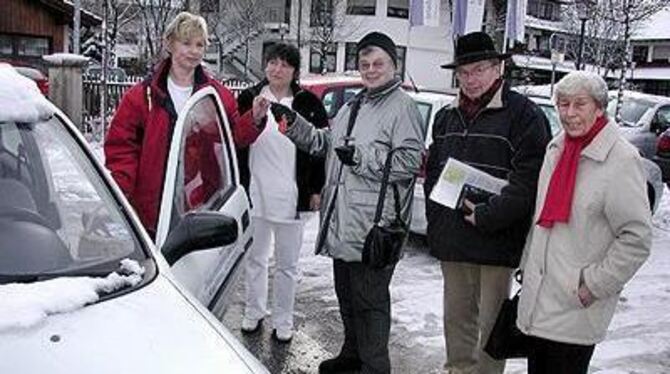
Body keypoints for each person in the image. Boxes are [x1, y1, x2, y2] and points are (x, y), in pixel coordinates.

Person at [273, 31, 424, 374]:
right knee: (348, 298)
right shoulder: (355, 104)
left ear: (393, 65)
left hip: (376, 225)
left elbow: (408, 163)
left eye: (378, 63)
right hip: (344, 222)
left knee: (371, 305)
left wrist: (360, 156)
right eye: (365, 64)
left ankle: (374, 367)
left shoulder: (403, 107)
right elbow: (328, 144)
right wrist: (295, 125)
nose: (371, 70)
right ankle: (352, 355)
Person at [423, 31, 552, 374]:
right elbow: (435, 174)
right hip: (454, 241)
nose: (471, 79)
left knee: (492, 331)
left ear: (499, 69)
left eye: (479, 69)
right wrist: (436, 227)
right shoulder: (446, 117)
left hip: (495, 241)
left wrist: (487, 216)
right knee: (457, 324)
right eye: (464, 72)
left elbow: (528, 182)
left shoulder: (524, 115)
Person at [516, 71, 652, 374]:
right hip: (540, 297)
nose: (569, 114)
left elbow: (636, 237)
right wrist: (527, 267)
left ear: (599, 108)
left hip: (575, 302)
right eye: (563, 105)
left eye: (580, 105)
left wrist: (592, 284)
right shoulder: (557, 149)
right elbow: (541, 221)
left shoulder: (621, 159)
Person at [104, 11, 258, 237]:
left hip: (198, 203)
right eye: (186, 43)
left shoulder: (216, 95)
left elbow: (232, 137)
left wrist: (254, 119)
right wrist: (120, 194)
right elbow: (122, 150)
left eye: (200, 45)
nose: (194, 51)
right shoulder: (140, 97)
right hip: (150, 208)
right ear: (170, 44)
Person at [235, 43, 328, 343]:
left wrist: (315, 188)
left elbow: (319, 150)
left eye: (285, 65)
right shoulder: (249, 97)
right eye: (272, 62)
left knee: (287, 265)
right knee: (256, 259)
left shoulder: (309, 103)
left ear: (294, 71)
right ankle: (253, 312)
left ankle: (283, 320)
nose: (277, 69)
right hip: (255, 192)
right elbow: (236, 141)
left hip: (291, 195)